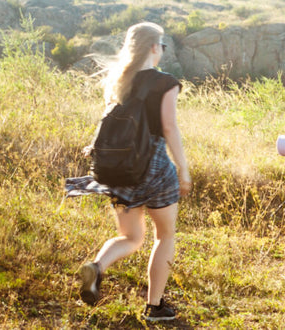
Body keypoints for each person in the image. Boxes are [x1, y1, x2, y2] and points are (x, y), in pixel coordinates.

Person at [67, 22, 190, 321]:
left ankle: (97, 267)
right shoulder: (166, 83)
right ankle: (154, 307)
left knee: (131, 237)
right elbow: (169, 128)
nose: (162, 50)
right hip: (156, 168)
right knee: (165, 236)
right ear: (152, 46)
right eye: (161, 45)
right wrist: (184, 170)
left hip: (119, 170)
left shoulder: (117, 79)